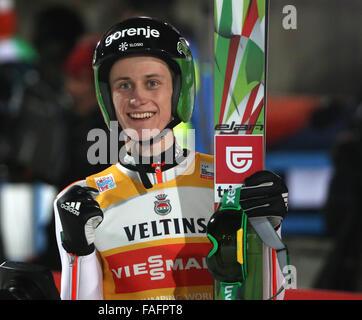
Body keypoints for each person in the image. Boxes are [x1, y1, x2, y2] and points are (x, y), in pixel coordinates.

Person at [53, 16, 288, 300]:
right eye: (123, 85)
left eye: (152, 83)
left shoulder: (227, 185)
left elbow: (270, 296)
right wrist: (78, 250)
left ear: (178, 90)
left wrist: (269, 227)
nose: (137, 97)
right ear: (108, 97)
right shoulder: (83, 202)